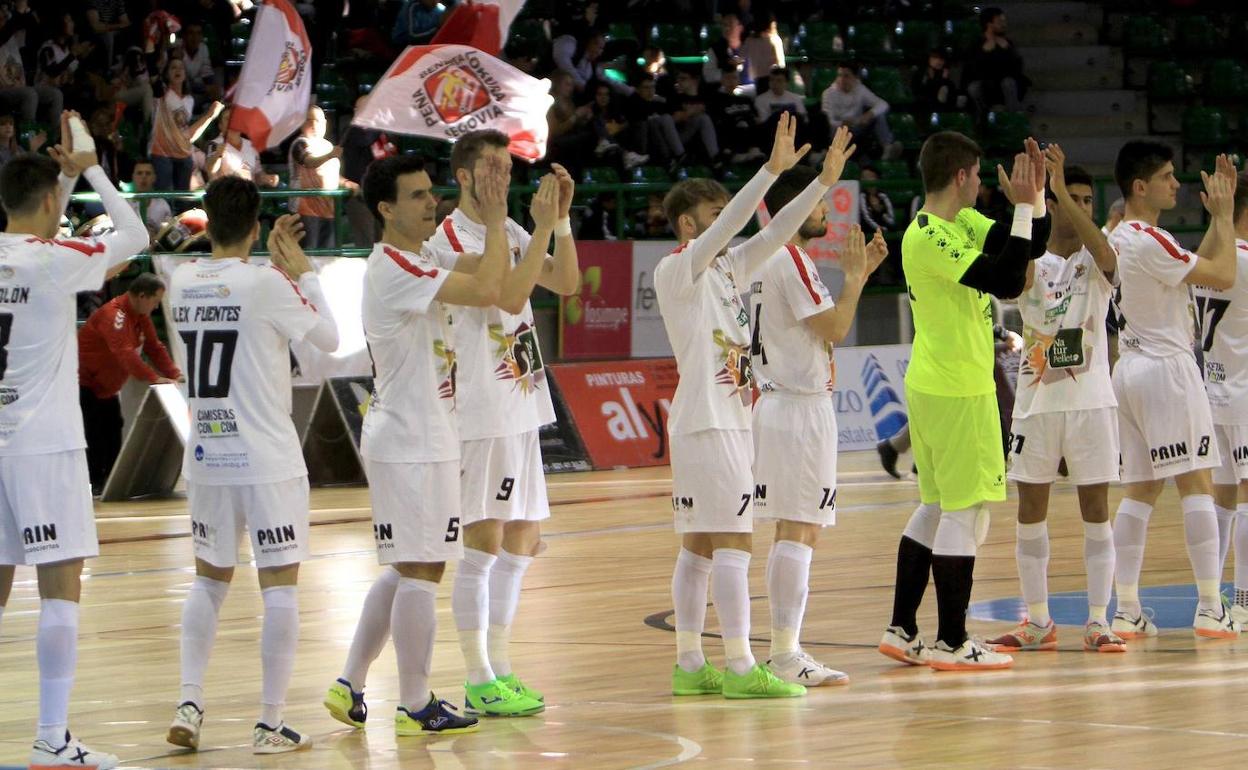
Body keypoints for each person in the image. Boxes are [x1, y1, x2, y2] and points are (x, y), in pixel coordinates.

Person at [323, 153, 516, 736]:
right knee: (422, 572)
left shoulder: (422, 254)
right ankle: (413, 703)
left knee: (408, 566)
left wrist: (524, 219)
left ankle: (350, 680)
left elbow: (495, 272)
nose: (432, 203)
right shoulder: (393, 268)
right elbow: (487, 287)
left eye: (433, 193)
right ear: (385, 209)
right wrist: (502, 214)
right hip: (411, 437)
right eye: (417, 196)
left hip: (421, 433)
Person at [163, 182, 340, 753]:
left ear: (207, 220)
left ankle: (189, 702)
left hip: (209, 453)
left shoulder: (180, 283)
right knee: (279, 587)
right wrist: (303, 271)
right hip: (265, 455)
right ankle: (269, 722)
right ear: (257, 223)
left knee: (209, 580)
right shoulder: (268, 283)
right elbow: (330, 339)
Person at [657, 113, 824, 699]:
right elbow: (737, 222)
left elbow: (775, 234)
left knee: (700, 544)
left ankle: (687, 664)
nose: (728, 223)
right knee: (733, 541)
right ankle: (738, 667)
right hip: (709, 421)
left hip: (722, 419)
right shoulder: (678, 267)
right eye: (713, 215)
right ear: (688, 224)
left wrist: (822, 182)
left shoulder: (728, 268)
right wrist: (769, 171)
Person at [0, 112, 148, 770]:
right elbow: (137, 233)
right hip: (45, 445)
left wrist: (59, 178)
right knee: (61, 585)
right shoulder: (56, 260)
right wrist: (87, 164)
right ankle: (53, 739)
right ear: (53, 203)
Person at [878, 132, 1049, 671]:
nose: (981, 183)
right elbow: (1006, 282)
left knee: (934, 504)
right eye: (976, 175)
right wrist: (1022, 208)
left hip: (939, 384)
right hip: (956, 386)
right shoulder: (928, 234)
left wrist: (1035, 198)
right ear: (960, 177)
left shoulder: (962, 223)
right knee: (965, 508)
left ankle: (902, 630)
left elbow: (1031, 246)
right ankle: (952, 640)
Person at [429, 131, 578, 717]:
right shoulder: (446, 238)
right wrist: (540, 228)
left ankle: (503, 666)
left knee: (523, 540)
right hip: (479, 407)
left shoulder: (513, 231)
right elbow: (511, 297)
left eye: (509, 166)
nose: (504, 176)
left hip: (521, 399)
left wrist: (559, 222)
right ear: (463, 176)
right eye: (492, 167)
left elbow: (564, 283)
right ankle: (476, 675)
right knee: (484, 542)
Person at [750, 128, 888, 686]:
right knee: (799, 528)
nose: (826, 212)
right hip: (797, 406)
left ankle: (784, 650)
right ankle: (785, 654)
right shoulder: (793, 259)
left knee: (796, 527)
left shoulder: (763, 258)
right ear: (797, 208)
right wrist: (854, 280)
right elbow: (835, 327)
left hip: (780, 402)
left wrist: (861, 277)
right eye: (818, 204)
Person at [984, 145, 1126, 654]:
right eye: (1075, 198)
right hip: (1036, 402)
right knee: (1030, 510)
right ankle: (1038, 621)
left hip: (1091, 404)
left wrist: (1063, 192)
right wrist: (1037, 204)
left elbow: (1108, 258)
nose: (1082, 207)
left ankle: (1097, 620)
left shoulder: (1098, 256)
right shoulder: (1033, 258)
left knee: (1096, 509)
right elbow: (1011, 285)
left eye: (1089, 199)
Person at [1107, 146, 1240, 640]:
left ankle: (1126, 608)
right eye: (1166, 177)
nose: (1175, 184)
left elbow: (1197, 263)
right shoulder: (1149, 239)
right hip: (1168, 368)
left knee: (1140, 491)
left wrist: (1216, 224)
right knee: (1197, 485)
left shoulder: (1121, 236)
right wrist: (1224, 215)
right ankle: (1209, 604)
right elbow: (1222, 274)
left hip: (1130, 368)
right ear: (1140, 187)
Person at [1193, 173, 1248, 628]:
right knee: (1244, 499)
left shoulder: (1206, 261)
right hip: (1245, 393)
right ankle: (1245, 602)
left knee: (1224, 498)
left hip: (1213, 390)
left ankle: (1211, 600)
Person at [77, 273, 182, 493]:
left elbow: (154, 346)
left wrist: (174, 373)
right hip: (86, 383)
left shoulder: (138, 316)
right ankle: (96, 483)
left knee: (114, 429)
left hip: (107, 387)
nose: (155, 308)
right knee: (94, 433)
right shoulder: (115, 316)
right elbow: (125, 354)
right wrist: (154, 377)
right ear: (142, 296)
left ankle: (112, 484)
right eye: (154, 302)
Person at [150, 58, 223, 200]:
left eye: (181, 68)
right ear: (166, 74)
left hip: (184, 155)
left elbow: (188, 136)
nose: (177, 70)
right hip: (162, 153)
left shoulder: (189, 100)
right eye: (173, 67)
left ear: (185, 74)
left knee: (181, 201)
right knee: (163, 199)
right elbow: (152, 69)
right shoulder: (161, 94)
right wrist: (209, 115)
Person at [340, 95, 397, 247]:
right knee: (366, 243)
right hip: (360, 196)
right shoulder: (353, 131)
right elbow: (365, 140)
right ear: (356, 111)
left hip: (380, 195)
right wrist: (379, 123)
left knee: (383, 242)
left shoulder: (381, 134)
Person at [288, 106, 342, 250]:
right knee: (309, 255)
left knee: (328, 257)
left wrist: (347, 183)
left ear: (324, 123)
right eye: (309, 120)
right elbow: (308, 161)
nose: (313, 125)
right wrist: (330, 156)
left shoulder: (328, 146)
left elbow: (332, 173)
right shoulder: (300, 143)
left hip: (329, 209)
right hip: (305, 211)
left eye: (317, 121)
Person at [820, 65, 896, 160]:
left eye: (846, 76)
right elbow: (827, 121)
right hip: (837, 132)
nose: (842, 79)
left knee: (878, 116)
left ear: (855, 78)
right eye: (839, 75)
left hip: (857, 128)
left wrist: (869, 114)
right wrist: (842, 123)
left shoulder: (860, 89)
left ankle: (888, 147)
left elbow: (883, 104)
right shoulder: (828, 94)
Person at [962, 7, 1029, 116]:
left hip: (1004, 86)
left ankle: (1013, 117)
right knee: (973, 88)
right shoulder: (976, 45)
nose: (1004, 24)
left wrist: (1007, 50)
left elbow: (1017, 70)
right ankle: (983, 119)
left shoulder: (1007, 44)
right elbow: (971, 71)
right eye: (1000, 22)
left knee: (1008, 83)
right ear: (989, 24)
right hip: (986, 87)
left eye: (1004, 21)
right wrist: (985, 52)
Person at [206, 106, 279, 187]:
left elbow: (257, 175)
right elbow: (210, 169)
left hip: (248, 195)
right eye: (227, 119)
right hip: (225, 196)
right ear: (220, 126)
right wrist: (218, 155)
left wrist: (266, 178)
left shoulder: (251, 145)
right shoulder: (214, 144)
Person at [130, 158, 173, 235]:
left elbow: (167, 234)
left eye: (148, 173)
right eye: (139, 173)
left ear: (154, 178)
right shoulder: (125, 205)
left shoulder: (162, 205)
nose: (144, 177)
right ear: (133, 177)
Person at [912, 48, 956, 115]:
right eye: (935, 58)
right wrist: (931, 79)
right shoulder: (922, 71)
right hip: (925, 102)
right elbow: (921, 89)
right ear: (929, 59)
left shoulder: (944, 72)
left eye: (941, 59)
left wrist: (945, 79)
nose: (939, 61)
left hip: (942, 104)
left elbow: (950, 89)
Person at [859, 166, 896, 234]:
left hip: (886, 233)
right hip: (870, 234)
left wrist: (881, 213)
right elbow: (866, 219)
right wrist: (880, 229)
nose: (866, 180)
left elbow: (892, 221)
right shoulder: (861, 197)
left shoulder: (883, 196)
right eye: (863, 177)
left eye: (869, 176)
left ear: (876, 178)